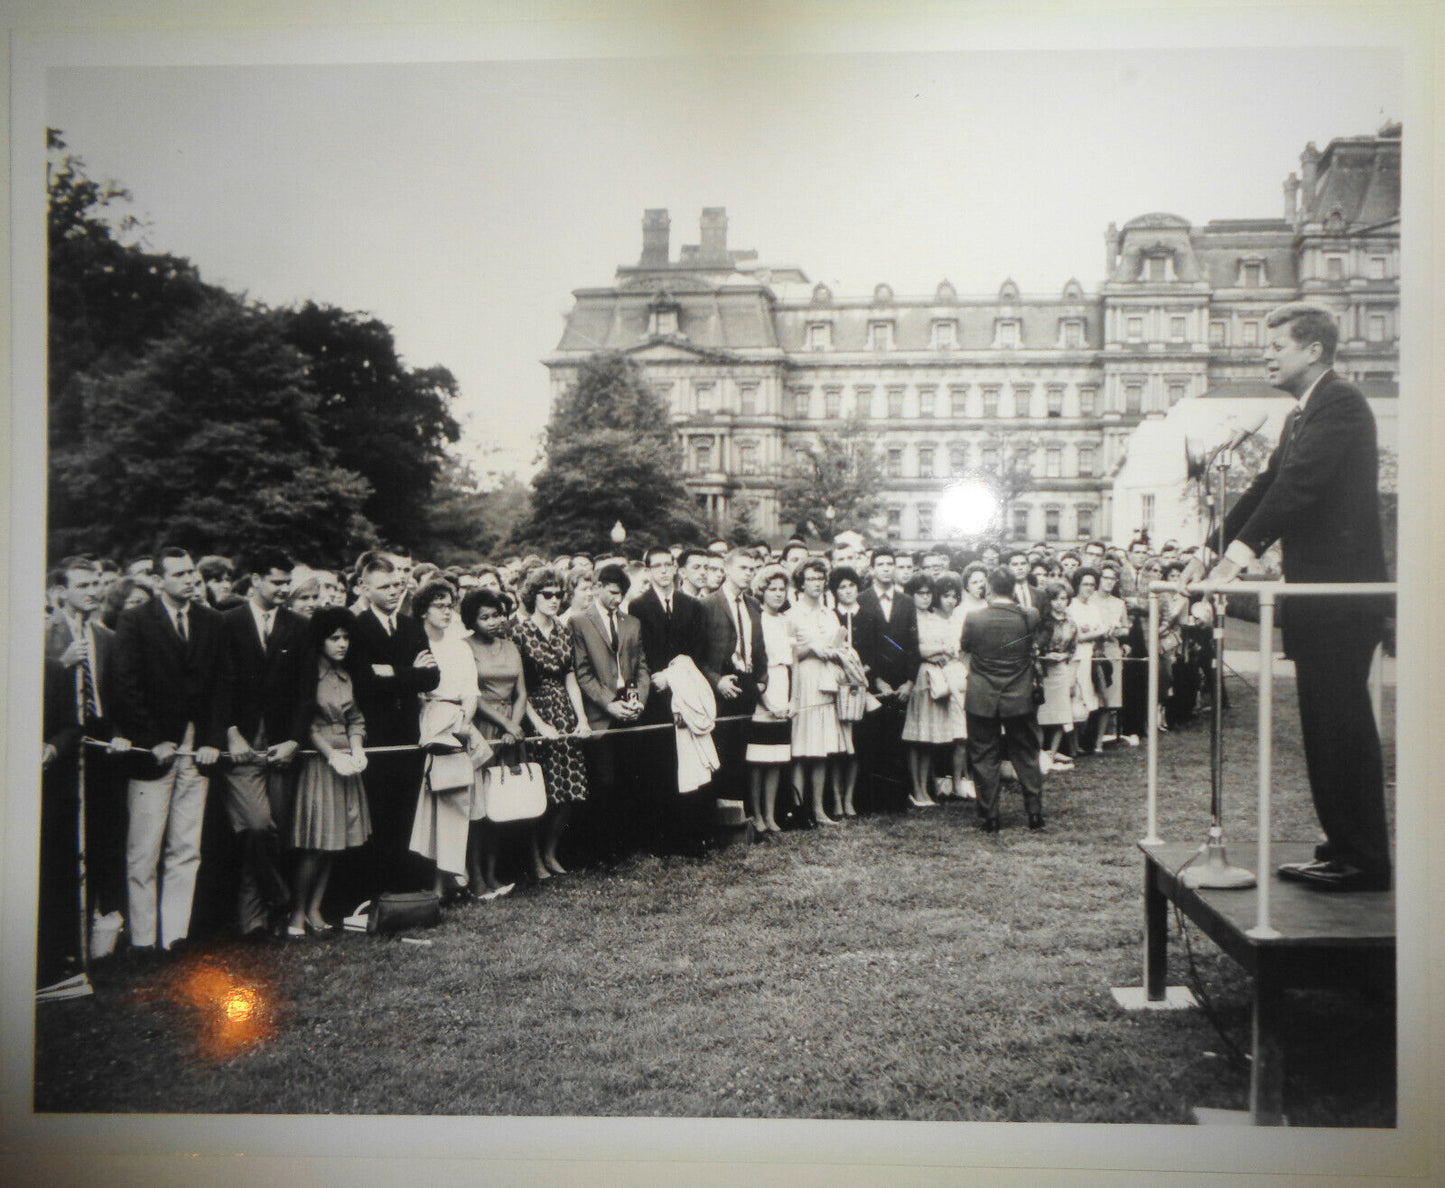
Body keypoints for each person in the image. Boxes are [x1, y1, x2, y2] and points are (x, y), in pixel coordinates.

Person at [1207, 302, 1391, 891]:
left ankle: (1362, 858)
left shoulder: (1340, 402)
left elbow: (1300, 485)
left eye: (1277, 345)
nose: (1266, 354)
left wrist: (1236, 560)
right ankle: (1343, 847)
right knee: (1324, 727)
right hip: (1318, 602)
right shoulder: (1299, 415)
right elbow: (1266, 484)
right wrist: (1207, 549)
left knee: (1341, 727)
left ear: (1314, 350)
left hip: (1341, 600)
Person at [108, 547, 228, 956]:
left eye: (192, 572)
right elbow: (125, 685)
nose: (190, 580)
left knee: (185, 847)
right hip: (152, 751)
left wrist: (212, 740)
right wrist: (152, 738)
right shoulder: (135, 621)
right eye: (179, 574)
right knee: (143, 850)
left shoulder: (212, 621)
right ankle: (142, 940)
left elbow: (221, 686)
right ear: (159, 581)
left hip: (198, 750)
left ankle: (174, 935)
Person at [218, 548, 308, 939]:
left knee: (275, 832)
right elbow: (218, 685)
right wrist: (229, 731)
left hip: (282, 743)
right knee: (257, 826)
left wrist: (294, 740)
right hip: (242, 741)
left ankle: (253, 921)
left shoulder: (300, 626)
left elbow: (307, 692)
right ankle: (279, 896)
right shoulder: (227, 623)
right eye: (277, 582)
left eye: (288, 582)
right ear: (255, 580)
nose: (284, 589)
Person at [347, 554, 440, 896]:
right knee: (378, 812)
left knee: (408, 810)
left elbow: (431, 677)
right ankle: (378, 891)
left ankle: (407, 888)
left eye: (397, 585)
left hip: (409, 732)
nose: (393, 592)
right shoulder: (356, 627)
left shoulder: (412, 626)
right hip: (375, 733)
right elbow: (365, 682)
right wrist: (409, 672)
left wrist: (393, 671)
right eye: (384, 586)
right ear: (364, 588)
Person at [288, 608, 370, 938]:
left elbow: (356, 719)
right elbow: (305, 724)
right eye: (334, 637)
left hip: (345, 761)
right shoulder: (307, 674)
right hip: (319, 762)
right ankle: (296, 913)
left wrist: (357, 747)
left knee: (335, 842)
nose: (342, 644)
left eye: (346, 637)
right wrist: (332, 754)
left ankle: (315, 908)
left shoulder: (344, 676)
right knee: (315, 843)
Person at [629, 546, 708, 853]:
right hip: (655, 696)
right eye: (656, 566)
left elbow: (697, 650)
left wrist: (674, 677)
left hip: (685, 690)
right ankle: (661, 838)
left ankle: (689, 834)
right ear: (648, 571)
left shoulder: (692, 605)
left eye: (667, 565)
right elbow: (638, 652)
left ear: (675, 568)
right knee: (660, 763)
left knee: (689, 763)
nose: (663, 571)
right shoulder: (637, 607)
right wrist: (656, 679)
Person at [408, 580, 483, 899]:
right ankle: (437, 885)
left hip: (459, 724)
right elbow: (415, 692)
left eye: (450, 605)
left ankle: (454, 879)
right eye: (439, 605)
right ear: (423, 610)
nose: (447, 612)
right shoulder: (416, 644)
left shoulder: (460, 646)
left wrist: (464, 722)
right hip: (429, 723)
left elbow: (471, 692)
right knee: (433, 805)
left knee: (459, 801)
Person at [570, 563, 650, 864]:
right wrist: (609, 703)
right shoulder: (579, 622)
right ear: (599, 586)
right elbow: (583, 673)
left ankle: (625, 845)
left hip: (629, 707)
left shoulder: (632, 623)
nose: (617, 600)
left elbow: (642, 667)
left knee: (629, 779)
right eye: (613, 593)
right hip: (601, 712)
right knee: (603, 782)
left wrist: (638, 700)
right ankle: (602, 851)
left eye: (622, 595)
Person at [514, 568, 592, 875]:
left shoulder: (563, 631)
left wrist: (581, 719)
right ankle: (534, 859)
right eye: (547, 595)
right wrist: (537, 725)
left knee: (569, 790)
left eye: (559, 595)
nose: (554, 600)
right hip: (534, 711)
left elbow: (571, 679)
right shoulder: (518, 633)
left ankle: (550, 852)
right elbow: (519, 688)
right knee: (539, 792)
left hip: (564, 712)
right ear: (533, 597)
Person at [962, 568, 1045, 832]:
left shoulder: (974, 618)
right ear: (1015, 588)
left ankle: (990, 816)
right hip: (1019, 695)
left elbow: (966, 647)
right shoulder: (1029, 616)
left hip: (982, 694)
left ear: (988, 588)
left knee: (984, 755)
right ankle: (1034, 812)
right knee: (1026, 753)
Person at [461, 588, 529, 893]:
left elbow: (522, 692)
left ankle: (492, 873)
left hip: (510, 731)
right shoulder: (465, 648)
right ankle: (475, 877)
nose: (493, 621)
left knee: (502, 803)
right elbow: (472, 695)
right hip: (482, 727)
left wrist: (513, 726)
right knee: (479, 807)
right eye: (484, 617)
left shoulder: (511, 647)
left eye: (497, 614)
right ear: (471, 620)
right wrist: (505, 724)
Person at [699, 548, 768, 808]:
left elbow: (760, 648)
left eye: (752, 569)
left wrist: (762, 679)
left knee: (743, 751)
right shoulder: (707, 604)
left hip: (748, 684)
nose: (749, 574)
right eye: (743, 568)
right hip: (720, 687)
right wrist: (716, 681)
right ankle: (720, 815)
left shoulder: (753, 605)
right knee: (721, 751)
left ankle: (740, 812)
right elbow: (699, 655)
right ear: (727, 569)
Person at [855, 546, 919, 811]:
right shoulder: (861, 599)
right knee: (871, 740)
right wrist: (876, 681)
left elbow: (913, 644)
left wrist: (910, 682)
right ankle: (870, 800)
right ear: (872, 569)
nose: (885, 568)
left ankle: (896, 799)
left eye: (890, 563)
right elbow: (860, 646)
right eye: (880, 563)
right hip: (874, 684)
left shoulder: (907, 602)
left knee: (897, 740)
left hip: (901, 683)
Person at [786, 559, 846, 826]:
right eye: (811, 579)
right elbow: (788, 653)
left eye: (820, 579)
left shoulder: (829, 613)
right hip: (803, 682)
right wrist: (810, 649)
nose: (816, 584)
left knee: (821, 747)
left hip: (826, 683)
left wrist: (835, 652)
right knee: (801, 747)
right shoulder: (792, 614)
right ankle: (800, 810)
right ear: (801, 582)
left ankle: (820, 809)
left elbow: (839, 645)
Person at [746, 565, 794, 833]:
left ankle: (770, 813)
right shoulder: (756, 618)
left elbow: (791, 662)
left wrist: (790, 699)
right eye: (772, 589)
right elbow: (757, 664)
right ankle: (757, 815)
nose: (777, 594)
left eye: (781, 589)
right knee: (758, 759)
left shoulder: (787, 620)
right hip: (763, 691)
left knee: (776, 757)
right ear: (762, 592)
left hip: (783, 686)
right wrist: (766, 701)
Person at [900, 572, 952, 807]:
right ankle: (916, 789)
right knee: (916, 736)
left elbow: (949, 647)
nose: (925, 598)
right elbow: (914, 650)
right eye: (920, 593)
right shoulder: (908, 618)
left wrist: (934, 651)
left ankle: (925, 788)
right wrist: (934, 651)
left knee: (928, 737)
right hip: (919, 676)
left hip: (936, 678)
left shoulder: (937, 619)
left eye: (928, 593)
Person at [1093, 562, 1133, 746]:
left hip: (1111, 649)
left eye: (1112, 579)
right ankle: (1086, 738)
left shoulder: (1119, 603)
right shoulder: (1091, 599)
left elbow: (1126, 629)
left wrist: (1118, 632)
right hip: (1094, 648)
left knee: (1109, 697)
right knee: (1093, 695)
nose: (1109, 582)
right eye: (1105, 578)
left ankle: (1098, 742)